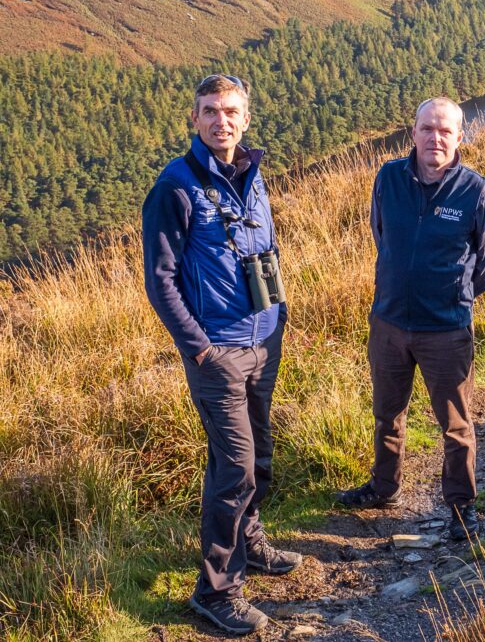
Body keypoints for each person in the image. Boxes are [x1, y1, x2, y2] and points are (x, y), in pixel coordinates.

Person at [142, 74, 300, 635]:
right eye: (210, 111)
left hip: (263, 342)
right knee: (234, 468)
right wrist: (200, 349)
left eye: (230, 111)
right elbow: (160, 280)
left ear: (245, 119)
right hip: (219, 353)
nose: (221, 121)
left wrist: (278, 316)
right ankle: (216, 590)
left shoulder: (252, 175)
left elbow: (265, 249)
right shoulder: (175, 187)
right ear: (194, 119)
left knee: (258, 456)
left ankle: (250, 542)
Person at [335, 97, 485, 542]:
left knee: (456, 424)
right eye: (427, 128)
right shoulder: (388, 178)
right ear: (413, 133)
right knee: (387, 413)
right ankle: (384, 487)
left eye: (445, 131)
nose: (435, 138)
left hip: (446, 329)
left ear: (460, 137)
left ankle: (462, 508)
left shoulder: (476, 192)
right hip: (389, 323)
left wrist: (451, 296)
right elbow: (381, 236)